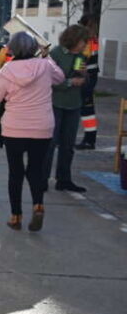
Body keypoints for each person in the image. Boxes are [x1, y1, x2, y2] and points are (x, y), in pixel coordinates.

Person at [0, 32, 64, 231]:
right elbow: (60, 77)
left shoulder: (8, 70)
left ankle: (16, 216)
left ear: (11, 49)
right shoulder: (45, 66)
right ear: (34, 48)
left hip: (14, 128)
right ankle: (38, 204)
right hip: (42, 127)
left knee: (15, 172)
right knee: (36, 169)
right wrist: (47, 57)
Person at [44, 24, 90, 192]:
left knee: (68, 145)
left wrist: (84, 75)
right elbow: (49, 79)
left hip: (74, 104)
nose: (85, 45)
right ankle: (42, 179)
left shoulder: (81, 57)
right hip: (56, 103)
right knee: (50, 143)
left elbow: (84, 81)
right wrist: (70, 82)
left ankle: (64, 179)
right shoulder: (55, 54)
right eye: (83, 41)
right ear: (74, 40)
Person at [75, 18, 101, 150]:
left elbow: (82, 58)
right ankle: (90, 139)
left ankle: (89, 140)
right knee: (88, 109)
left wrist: (75, 70)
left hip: (87, 77)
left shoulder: (87, 40)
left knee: (86, 110)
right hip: (92, 75)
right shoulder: (94, 38)